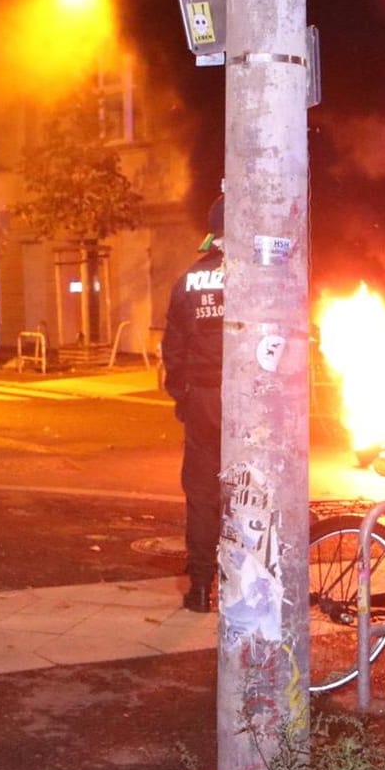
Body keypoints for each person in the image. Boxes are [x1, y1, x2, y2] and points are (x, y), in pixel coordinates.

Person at [161, 196, 225, 612]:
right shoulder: (262, 278)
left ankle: (201, 587)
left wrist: (183, 396)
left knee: (203, 495)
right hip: (249, 402)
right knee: (251, 493)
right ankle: (248, 582)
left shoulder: (188, 281)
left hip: (202, 399)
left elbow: (173, 347)